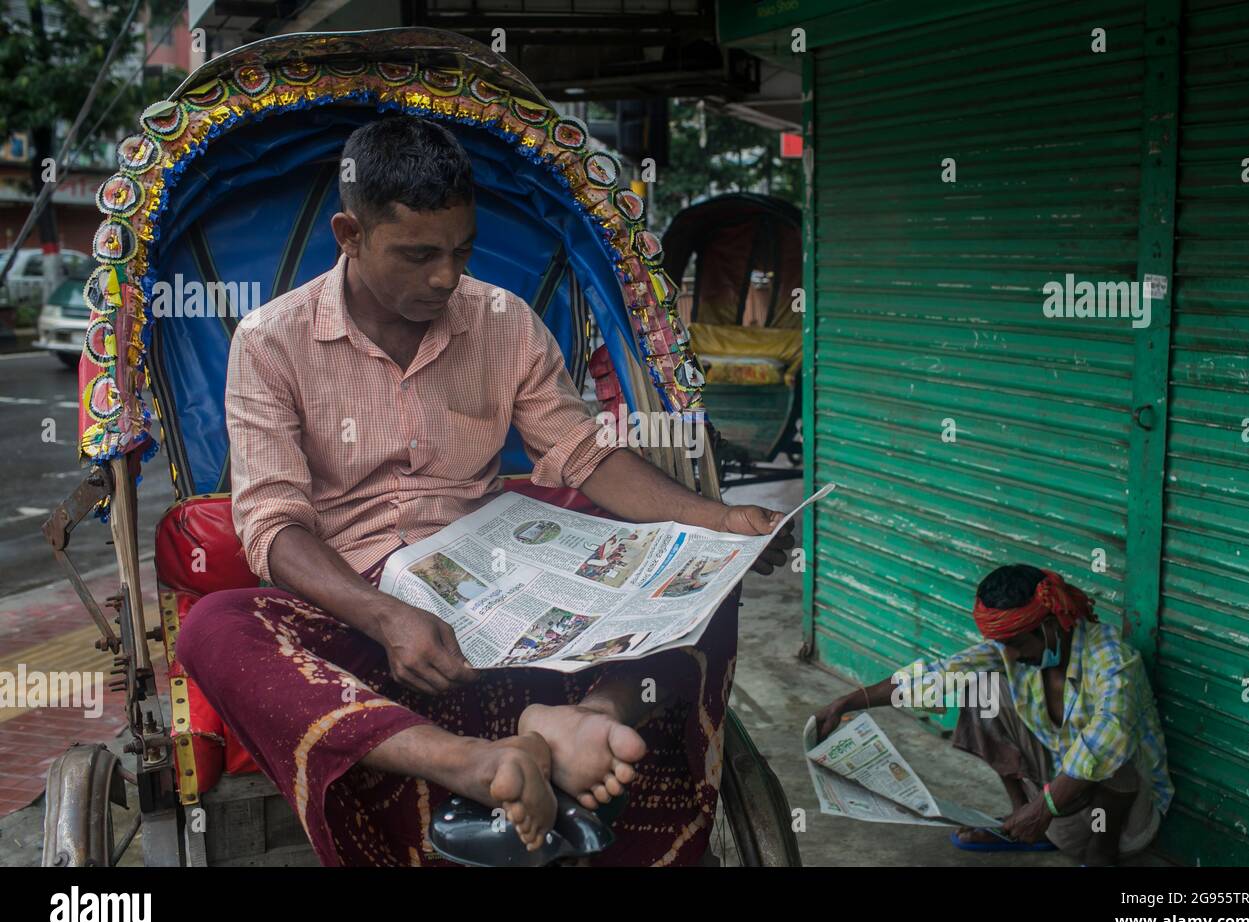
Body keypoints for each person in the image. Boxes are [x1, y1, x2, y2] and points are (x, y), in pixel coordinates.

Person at [176, 115, 793, 867]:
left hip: (497, 585)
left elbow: (584, 454)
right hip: (359, 605)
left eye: (461, 251)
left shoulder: (505, 321)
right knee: (212, 627)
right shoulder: (272, 340)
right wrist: (385, 614)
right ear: (348, 233)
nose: (444, 276)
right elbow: (272, 526)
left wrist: (720, 519)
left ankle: (584, 722)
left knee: (707, 574)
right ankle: (463, 760)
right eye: (418, 254)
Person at [813, 564, 1172, 865]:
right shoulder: (1014, 649)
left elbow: (1105, 739)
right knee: (981, 685)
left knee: (1111, 758)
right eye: (1005, 645)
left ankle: (1097, 857)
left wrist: (1044, 808)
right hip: (1057, 800)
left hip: (1124, 823)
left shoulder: (1114, 660)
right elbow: (939, 675)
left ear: (1050, 625)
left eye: (1016, 644)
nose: (1010, 656)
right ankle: (1021, 824)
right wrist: (849, 701)